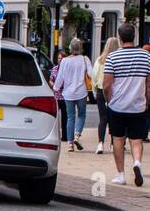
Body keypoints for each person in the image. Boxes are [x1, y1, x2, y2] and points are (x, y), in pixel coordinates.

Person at [102, 23, 150, 186]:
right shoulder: (146, 56)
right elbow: (149, 84)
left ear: (120, 38)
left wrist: (109, 100)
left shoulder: (113, 57)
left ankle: (121, 175)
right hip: (138, 106)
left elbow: (107, 85)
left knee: (118, 139)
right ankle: (137, 162)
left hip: (118, 106)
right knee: (136, 139)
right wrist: (147, 102)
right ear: (134, 37)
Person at [52, 44, 93, 152]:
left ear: (70, 48)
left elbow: (60, 77)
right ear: (80, 48)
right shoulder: (85, 59)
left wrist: (56, 88)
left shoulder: (65, 61)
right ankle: (77, 136)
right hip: (81, 93)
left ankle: (70, 144)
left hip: (68, 93)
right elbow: (91, 74)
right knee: (81, 114)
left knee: (70, 117)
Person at [93, 36, 117, 154]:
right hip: (114, 92)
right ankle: (113, 144)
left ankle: (100, 144)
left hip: (101, 91)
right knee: (114, 119)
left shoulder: (99, 60)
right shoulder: (117, 59)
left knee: (103, 118)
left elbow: (94, 77)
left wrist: (94, 92)